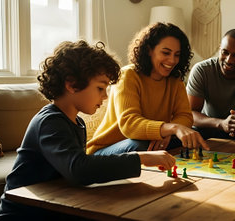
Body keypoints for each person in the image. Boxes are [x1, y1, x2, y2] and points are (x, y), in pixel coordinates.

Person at [0, 40, 176, 220]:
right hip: (22, 215)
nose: (105, 96)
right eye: (100, 88)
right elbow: (79, 169)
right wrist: (141, 157)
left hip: (53, 207)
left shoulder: (76, 122)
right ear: (72, 84)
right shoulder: (50, 122)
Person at [87, 23, 209, 156]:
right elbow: (130, 125)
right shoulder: (128, 75)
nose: (172, 60)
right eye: (166, 52)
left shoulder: (175, 80)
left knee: (195, 136)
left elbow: (185, 116)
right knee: (140, 145)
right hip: (106, 149)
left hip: (149, 142)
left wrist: (167, 133)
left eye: (177, 54)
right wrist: (171, 128)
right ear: (149, 50)